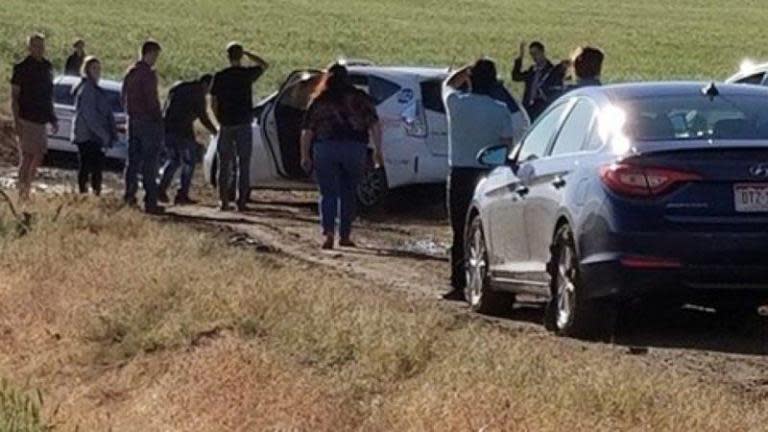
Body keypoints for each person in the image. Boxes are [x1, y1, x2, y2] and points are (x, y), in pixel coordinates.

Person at [442, 59, 516, 300]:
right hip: (490, 172)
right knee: (490, 228)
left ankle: (458, 282)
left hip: (461, 172)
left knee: (460, 228)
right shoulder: (500, 109)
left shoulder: (456, 103)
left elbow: (448, 84)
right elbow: (507, 144)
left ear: (470, 80)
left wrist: (463, 71)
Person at [299, 64, 383, 250]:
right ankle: (345, 235)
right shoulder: (360, 98)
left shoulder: (320, 99)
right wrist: (378, 150)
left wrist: (305, 155)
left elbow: (307, 131)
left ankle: (328, 233)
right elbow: (375, 125)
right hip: (355, 149)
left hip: (325, 148)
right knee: (348, 193)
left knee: (327, 193)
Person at [210, 42, 269, 211]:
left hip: (226, 124)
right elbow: (264, 65)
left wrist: (218, 119)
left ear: (228, 57)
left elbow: (213, 101)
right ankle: (241, 201)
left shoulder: (220, 76)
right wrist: (249, 53)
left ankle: (223, 201)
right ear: (240, 56)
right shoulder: (246, 74)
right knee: (243, 164)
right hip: (244, 123)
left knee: (224, 164)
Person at [10, 33, 58, 203]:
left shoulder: (47, 67)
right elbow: (14, 96)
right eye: (36, 45)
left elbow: (48, 95)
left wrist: (53, 118)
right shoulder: (21, 68)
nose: (40, 49)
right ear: (29, 47)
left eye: (42, 45)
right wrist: (16, 120)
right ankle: (22, 191)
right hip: (25, 117)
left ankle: (27, 186)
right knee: (27, 155)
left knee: (39, 154)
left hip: (41, 118)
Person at [158, 74, 218, 205]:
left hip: (167, 127)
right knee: (189, 162)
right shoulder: (198, 92)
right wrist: (215, 131)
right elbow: (203, 116)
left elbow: (166, 107)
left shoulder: (179, 86)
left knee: (173, 160)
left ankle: (160, 189)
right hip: (183, 130)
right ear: (207, 84)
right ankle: (182, 194)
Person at [122, 40, 164, 214]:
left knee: (132, 162)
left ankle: (129, 196)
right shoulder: (147, 74)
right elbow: (151, 99)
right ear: (149, 54)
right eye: (155, 55)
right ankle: (150, 200)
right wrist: (158, 119)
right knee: (149, 163)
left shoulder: (130, 72)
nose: (155, 59)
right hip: (147, 122)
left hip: (132, 120)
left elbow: (122, 97)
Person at [71, 56, 117, 195]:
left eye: (98, 68)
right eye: (94, 68)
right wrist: (103, 135)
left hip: (95, 136)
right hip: (88, 136)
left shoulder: (96, 89)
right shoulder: (87, 89)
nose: (97, 71)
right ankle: (84, 194)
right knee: (88, 166)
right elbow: (90, 117)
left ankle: (94, 193)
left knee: (96, 167)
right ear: (86, 70)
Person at [512, 41, 565, 120]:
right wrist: (520, 57)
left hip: (543, 109)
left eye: (536, 53)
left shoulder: (552, 71)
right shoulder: (532, 70)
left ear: (542, 52)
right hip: (528, 109)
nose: (534, 57)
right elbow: (516, 77)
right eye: (532, 54)